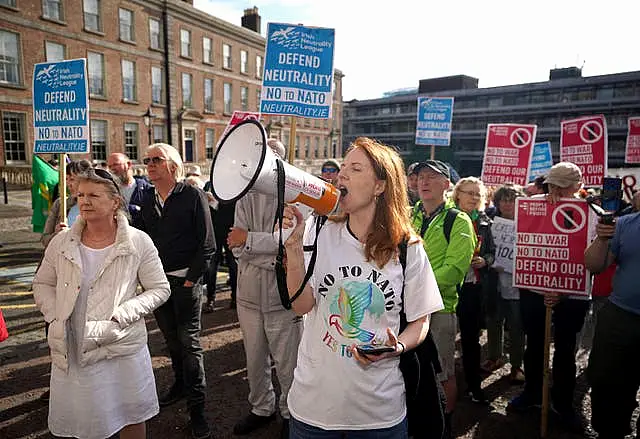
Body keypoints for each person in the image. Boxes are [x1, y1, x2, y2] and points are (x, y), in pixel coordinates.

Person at [282, 137, 444, 438]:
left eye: (355, 169)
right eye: (342, 167)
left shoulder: (407, 248)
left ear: (380, 186)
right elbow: (301, 306)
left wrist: (396, 347)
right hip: (312, 408)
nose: (341, 175)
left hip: (378, 414)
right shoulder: (318, 232)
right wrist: (292, 248)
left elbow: (422, 321)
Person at [32, 168, 171, 439]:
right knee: (84, 417)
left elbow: (159, 288)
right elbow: (42, 283)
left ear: (115, 202)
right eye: (81, 194)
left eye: (94, 195)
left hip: (119, 342)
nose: (84, 201)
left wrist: (123, 315)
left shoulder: (138, 241)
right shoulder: (62, 241)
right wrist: (55, 316)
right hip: (73, 343)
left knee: (130, 415)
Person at [134, 143, 215, 439]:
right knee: (171, 342)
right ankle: (180, 385)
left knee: (189, 343)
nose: (150, 164)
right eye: (147, 159)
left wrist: (192, 280)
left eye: (157, 159)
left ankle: (198, 411)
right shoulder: (145, 197)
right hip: (157, 286)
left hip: (185, 284)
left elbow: (208, 244)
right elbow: (137, 238)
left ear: (173, 165)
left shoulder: (191, 195)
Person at [508, 162, 591, 432]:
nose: (556, 191)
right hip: (534, 290)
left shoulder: (591, 212)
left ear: (578, 187)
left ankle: (563, 403)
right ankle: (533, 392)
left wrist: (563, 290)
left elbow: (590, 258)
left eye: (563, 187)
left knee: (566, 350)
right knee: (535, 344)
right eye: (552, 185)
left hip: (573, 294)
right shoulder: (531, 205)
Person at [228, 139, 301, 438]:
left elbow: (290, 241)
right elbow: (234, 245)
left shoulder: (295, 196)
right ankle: (261, 408)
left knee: (288, 362)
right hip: (247, 296)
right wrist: (262, 244)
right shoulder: (243, 197)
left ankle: (290, 413)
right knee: (254, 359)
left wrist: (251, 242)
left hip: (281, 296)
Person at [410, 160, 476, 437]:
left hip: (439, 308)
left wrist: (413, 286)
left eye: (432, 177)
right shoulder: (409, 215)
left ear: (447, 185)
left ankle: (445, 425)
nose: (423, 182)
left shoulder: (458, 221)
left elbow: (454, 269)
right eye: (420, 176)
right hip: (409, 306)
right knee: (413, 368)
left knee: (443, 372)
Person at [585, 202, 640, 439]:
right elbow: (594, 265)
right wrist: (601, 239)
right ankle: (609, 430)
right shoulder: (626, 224)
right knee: (607, 381)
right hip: (620, 317)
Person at [451, 177, 496, 404]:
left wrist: (485, 261)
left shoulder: (485, 222)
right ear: (457, 194)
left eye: (477, 194)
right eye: (469, 193)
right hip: (448, 286)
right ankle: (445, 385)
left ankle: (473, 386)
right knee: (446, 337)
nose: (473, 197)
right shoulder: (447, 218)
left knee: (470, 339)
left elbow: (491, 252)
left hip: (472, 287)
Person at [485, 184, 526, 384]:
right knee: (493, 323)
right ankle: (495, 357)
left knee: (517, 326)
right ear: (498, 202)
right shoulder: (490, 223)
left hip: (517, 287)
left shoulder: (529, 224)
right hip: (495, 284)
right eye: (504, 199)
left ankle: (517, 365)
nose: (508, 204)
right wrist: (491, 261)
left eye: (512, 199)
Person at [42, 159, 93, 247]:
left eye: (72, 179)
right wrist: (57, 235)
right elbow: (45, 240)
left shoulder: (100, 205)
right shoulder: (60, 203)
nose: (68, 184)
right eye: (66, 179)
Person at [107, 152, 152, 226]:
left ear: (128, 164)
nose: (112, 169)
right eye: (110, 166)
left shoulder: (147, 190)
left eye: (116, 164)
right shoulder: (108, 191)